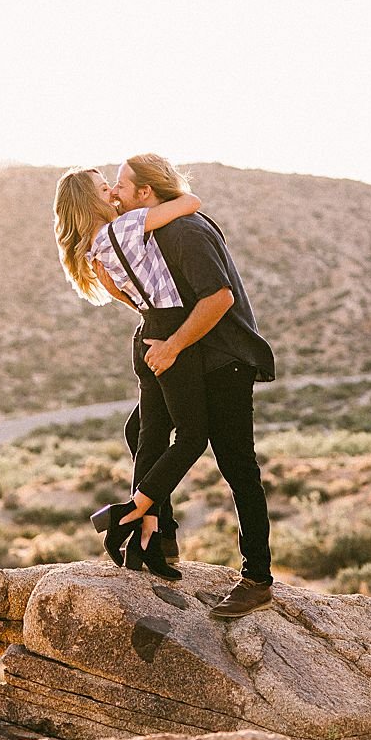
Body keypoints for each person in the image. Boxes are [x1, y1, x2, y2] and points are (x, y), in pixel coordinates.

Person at [111, 154, 277, 619]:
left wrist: (171, 347)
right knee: (139, 431)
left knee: (237, 464)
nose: (115, 192)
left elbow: (218, 299)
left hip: (225, 359)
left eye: (121, 185)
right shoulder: (155, 231)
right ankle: (162, 539)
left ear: (145, 192)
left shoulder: (185, 232)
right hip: (193, 359)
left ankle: (257, 579)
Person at [52, 164, 205, 581]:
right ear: (93, 201)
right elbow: (190, 203)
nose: (115, 194)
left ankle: (150, 538)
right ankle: (131, 514)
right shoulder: (128, 226)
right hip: (167, 330)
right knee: (192, 435)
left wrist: (152, 318)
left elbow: (125, 296)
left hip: (147, 330)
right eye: (107, 190)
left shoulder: (95, 246)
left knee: (149, 435)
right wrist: (146, 197)